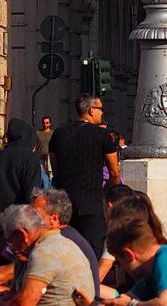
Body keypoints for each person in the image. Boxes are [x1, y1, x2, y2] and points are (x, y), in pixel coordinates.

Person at [46, 93, 121, 256]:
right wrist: (105, 191)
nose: (102, 113)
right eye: (101, 108)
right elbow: (114, 172)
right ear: (91, 110)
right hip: (91, 203)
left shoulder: (58, 133)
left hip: (65, 204)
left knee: (65, 252)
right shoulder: (101, 135)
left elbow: (55, 168)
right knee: (91, 254)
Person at [0, 119, 44, 255]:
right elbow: (32, 192)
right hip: (22, 223)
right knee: (19, 267)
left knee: (1, 264)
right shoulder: (30, 158)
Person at [31, 185, 100, 297]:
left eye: (35, 214)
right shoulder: (67, 236)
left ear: (54, 218)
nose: (29, 218)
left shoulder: (58, 242)